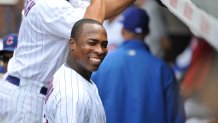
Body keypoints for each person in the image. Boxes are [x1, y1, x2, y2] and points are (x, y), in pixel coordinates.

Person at [0, 0, 136, 122]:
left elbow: (102, 8)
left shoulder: (65, 2)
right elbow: (91, 26)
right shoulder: (49, 4)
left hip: (30, 91)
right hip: (27, 97)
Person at [92, 6, 185, 123]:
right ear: (147, 32)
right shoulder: (163, 69)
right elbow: (177, 118)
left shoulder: (102, 65)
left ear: (122, 31)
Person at [44, 18, 108, 123]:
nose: (100, 50)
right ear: (72, 44)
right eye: (92, 43)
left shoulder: (67, 72)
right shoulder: (74, 94)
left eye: (104, 45)